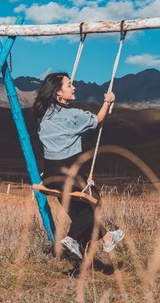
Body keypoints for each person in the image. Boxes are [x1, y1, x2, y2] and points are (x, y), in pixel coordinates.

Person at [34, 72, 124, 260]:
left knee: (80, 211)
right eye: (69, 85)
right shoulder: (73, 115)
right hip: (69, 173)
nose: (73, 87)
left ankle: (107, 238)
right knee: (95, 201)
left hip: (50, 176)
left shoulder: (43, 114)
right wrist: (108, 101)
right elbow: (98, 119)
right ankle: (71, 239)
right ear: (58, 93)